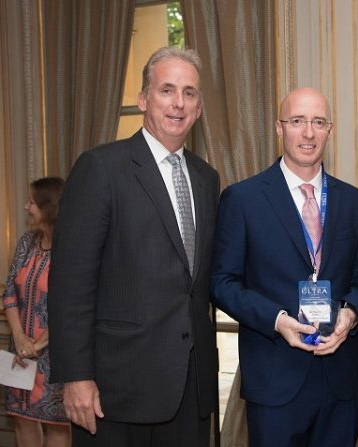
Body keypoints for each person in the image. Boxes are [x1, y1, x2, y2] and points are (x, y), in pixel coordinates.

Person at [47, 46, 220, 447]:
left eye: (189, 93)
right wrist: (76, 376)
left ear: (199, 108)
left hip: (190, 389)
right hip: (116, 392)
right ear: (143, 99)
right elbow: (71, 283)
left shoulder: (206, 178)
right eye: (167, 90)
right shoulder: (101, 168)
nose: (178, 103)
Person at [211, 87, 358, 446]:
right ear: (279, 128)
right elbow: (222, 282)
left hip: (341, 380)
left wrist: (351, 315)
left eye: (318, 122)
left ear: (330, 131)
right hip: (274, 378)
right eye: (297, 121)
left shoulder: (352, 201)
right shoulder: (243, 199)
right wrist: (276, 320)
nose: (308, 133)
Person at [3, 177, 70, 447]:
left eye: (31, 202)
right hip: (19, 351)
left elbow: (72, 307)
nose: (26, 207)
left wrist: (38, 345)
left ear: (48, 207)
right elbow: (9, 291)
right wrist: (20, 338)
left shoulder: (71, 249)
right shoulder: (26, 242)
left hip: (55, 355)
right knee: (22, 419)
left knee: (56, 425)